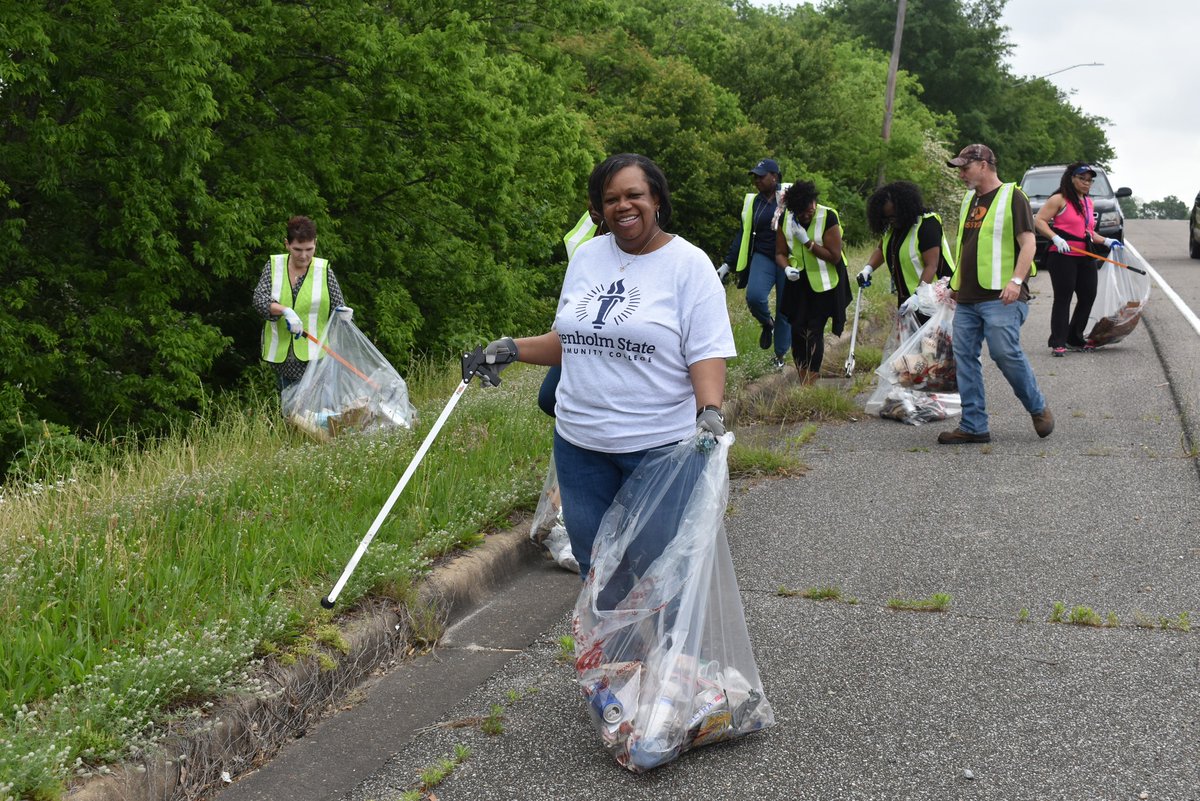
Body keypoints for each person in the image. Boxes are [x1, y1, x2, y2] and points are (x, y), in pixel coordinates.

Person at [469, 153, 735, 583]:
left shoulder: (690, 265)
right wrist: (511, 348)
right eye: (611, 199)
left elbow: (706, 351)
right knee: (598, 568)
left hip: (658, 446)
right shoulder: (588, 257)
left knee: (657, 568)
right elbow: (571, 339)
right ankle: (610, 651)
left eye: (634, 195)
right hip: (580, 443)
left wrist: (709, 410)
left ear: (658, 201)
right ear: (599, 208)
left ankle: (661, 652)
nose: (623, 206)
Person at [938, 144, 1053, 444]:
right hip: (968, 296)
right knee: (964, 358)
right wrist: (953, 285)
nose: (961, 174)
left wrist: (1016, 280)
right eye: (960, 168)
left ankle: (1037, 407)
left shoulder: (1013, 196)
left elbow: (1028, 244)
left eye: (965, 167)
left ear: (985, 165)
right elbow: (967, 244)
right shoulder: (968, 200)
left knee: (1004, 353)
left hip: (1002, 296)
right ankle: (974, 425)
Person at [1033, 162, 1124, 356]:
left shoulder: (1088, 202)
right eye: (1082, 179)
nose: (1086, 183)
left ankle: (1074, 337)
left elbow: (1089, 232)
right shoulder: (1059, 199)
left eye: (1089, 180)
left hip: (1085, 255)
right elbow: (1038, 220)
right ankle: (1058, 341)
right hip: (1062, 256)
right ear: (1071, 178)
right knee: (1063, 298)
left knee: (1088, 296)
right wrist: (1055, 238)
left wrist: (1107, 241)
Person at [253, 215, 350, 395]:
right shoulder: (274, 266)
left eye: (309, 249)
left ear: (315, 244)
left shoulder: (324, 271)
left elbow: (338, 307)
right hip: (282, 358)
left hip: (315, 358)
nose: (304, 256)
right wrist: (284, 310)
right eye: (297, 249)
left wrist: (343, 313)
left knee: (314, 415)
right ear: (287, 244)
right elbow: (259, 299)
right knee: (290, 413)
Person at [775, 181, 852, 384]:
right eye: (801, 213)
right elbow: (780, 253)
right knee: (797, 331)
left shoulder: (828, 216)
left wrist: (808, 242)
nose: (807, 215)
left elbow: (835, 256)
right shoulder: (786, 218)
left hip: (825, 283)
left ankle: (811, 381)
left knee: (814, 330)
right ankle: (803, 378)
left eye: (809, 209)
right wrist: (786, 267)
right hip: (798, 282)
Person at [719, 158, 790, 370]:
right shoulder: (753, 202)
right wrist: (726, 265)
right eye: (755, 177)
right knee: (755, 297)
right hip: (764, 256)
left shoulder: (789, 197)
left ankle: (779, 355)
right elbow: (743, 235)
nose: (756, 180)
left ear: (774, 177)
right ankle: (767, 324)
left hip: (788, 258)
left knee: (785, 309)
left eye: (761, 176)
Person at [861, 181, 955, 324]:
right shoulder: (892, 228)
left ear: (905, 209)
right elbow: (882, 249)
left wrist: (917, 296)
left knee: (933, 345)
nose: (890, 221)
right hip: (908, 300)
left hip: (936, 299)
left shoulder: (927, 224)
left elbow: (931, 265)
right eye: (886, 218)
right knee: (911, 345)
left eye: (893, 216)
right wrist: (868, 269)